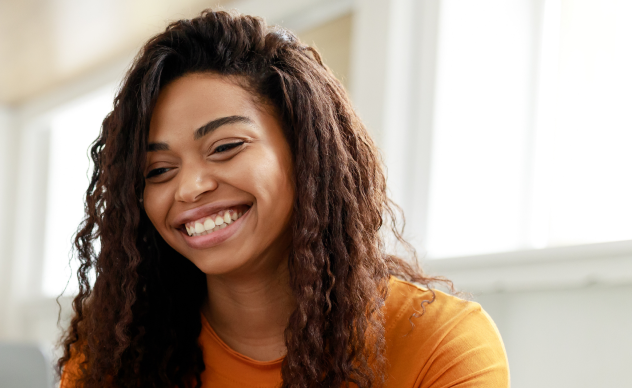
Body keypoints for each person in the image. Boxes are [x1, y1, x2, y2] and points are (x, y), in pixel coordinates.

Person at [56, 10, 509, 388]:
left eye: (225, 147)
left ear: (305, 152)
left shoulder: (440, 343)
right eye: (158, 171)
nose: (189, 188)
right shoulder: (115, 351)